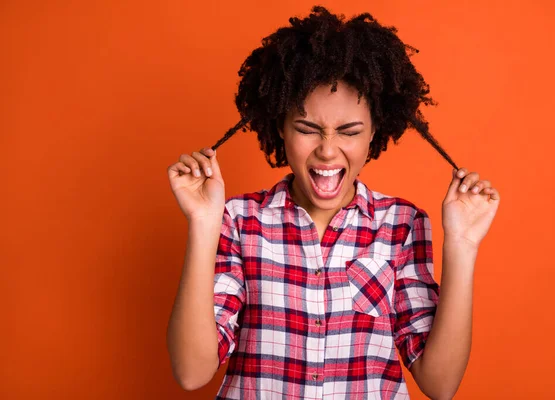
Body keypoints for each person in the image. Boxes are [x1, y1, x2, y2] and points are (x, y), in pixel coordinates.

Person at [166, 6, 500, 399]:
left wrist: (462, 246)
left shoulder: (402, 224)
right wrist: (203, 222)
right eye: (307, 129)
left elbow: (440, 384)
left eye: (349, 131)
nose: (327, 150)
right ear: (280, 127)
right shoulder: (239, 221)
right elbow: (192, 372)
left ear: (374, 132)